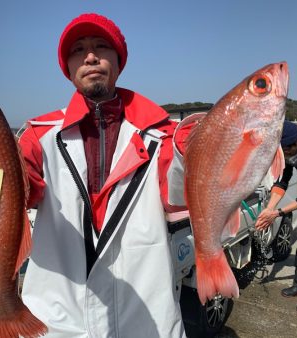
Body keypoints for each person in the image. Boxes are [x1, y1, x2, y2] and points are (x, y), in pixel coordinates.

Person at [18, 13, 186, 337]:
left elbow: (178, 195)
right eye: (78, 49)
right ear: (68, 68)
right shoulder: (35, 138)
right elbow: (13, 194)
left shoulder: (166, 135)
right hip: (55, 323)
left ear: (119, 61)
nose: (90, 56)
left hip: (147, 321)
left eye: (101, 46)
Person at [256, 120, 297, 314]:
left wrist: (278, 213)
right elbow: (282, 181)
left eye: (283, 150)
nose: (281, 155)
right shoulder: (289, 154)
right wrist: (269, 209)